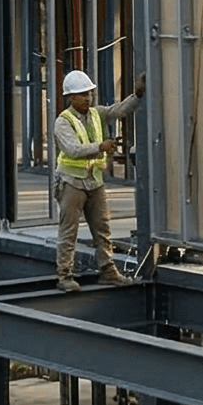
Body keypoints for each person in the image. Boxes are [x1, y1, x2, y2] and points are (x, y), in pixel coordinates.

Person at [52, 68, 143, 290]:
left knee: (102, 229)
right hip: (71, 182)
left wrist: (137, 95)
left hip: (94, 180)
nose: (88, 98)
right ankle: (64, 276)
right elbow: (73, 149)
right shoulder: (63, 122)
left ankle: (108, 271)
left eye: (90, 93)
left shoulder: (96, 114)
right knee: (69, 231)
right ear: (71, 98)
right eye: (83, 94)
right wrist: (100, 146)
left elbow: (118, 110)